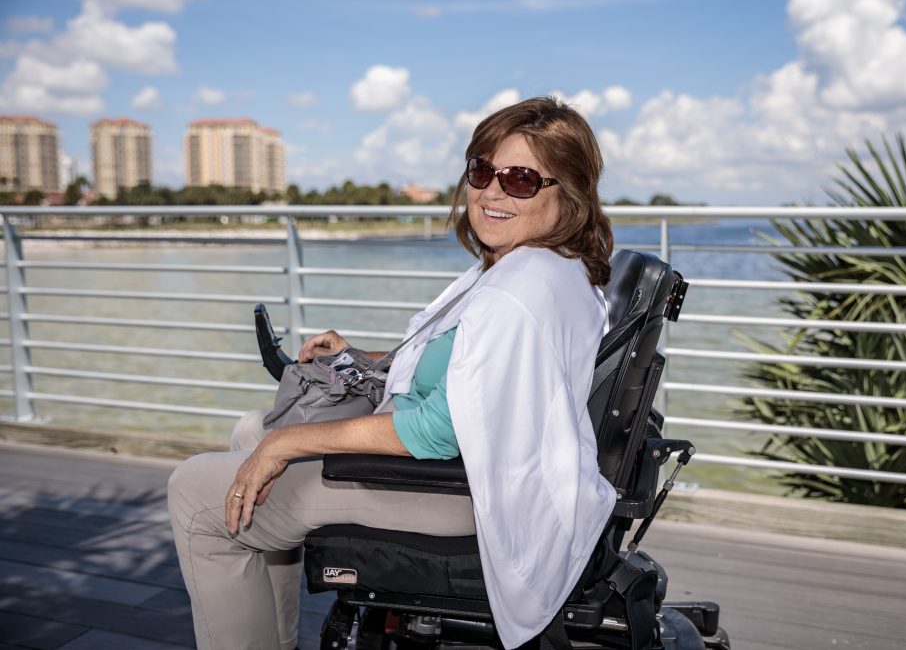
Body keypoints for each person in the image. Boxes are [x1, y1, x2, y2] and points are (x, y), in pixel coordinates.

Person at [167, 97, 617, 650]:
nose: (492, 191)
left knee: (195, 493)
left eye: (521, 178)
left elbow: (439, 429)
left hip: (460, 491)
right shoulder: (548, 268)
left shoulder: (517, 293)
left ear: (565, 194)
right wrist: (369, 358)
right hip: (486, 474)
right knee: (250, 431)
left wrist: (289, 444)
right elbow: (474, 367)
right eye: (482, 170)